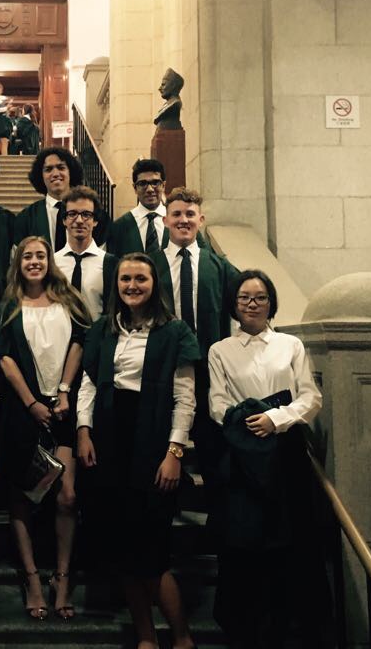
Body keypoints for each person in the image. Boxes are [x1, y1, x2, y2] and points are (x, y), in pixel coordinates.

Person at [76, 253, 199, 649]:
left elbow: (185, 398)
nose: (132, 285)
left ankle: (181, 637)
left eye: (140, 279)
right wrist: (83, 430)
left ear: (154, 284)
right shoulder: (103, 330)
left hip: (154, 444)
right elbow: (89, 384)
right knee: (125, 549)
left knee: (153, 550)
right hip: (111, 443)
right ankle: (146, 636)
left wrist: (174, 452)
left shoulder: (175, 331)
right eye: (125, 279)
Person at [207, 270, 329, 647]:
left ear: (271, 303)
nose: (252, 304)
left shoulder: (290, 344)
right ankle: (244, 628)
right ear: (234, 304)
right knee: (242, 544)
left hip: (285, 452)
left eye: (260, 297)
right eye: (244, 298)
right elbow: (217, 403)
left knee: (287, 541)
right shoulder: (220, 350)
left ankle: (286, 626)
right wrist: (247, 424)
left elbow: (310, 397)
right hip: (241, 455)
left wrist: (275, 419)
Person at [0, 235, 91, 622]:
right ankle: (33, 578)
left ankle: (62, 578)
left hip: (63, 408)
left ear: (50, 261)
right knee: (21, 497)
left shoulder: (69, 301)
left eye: (40, 255)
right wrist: (31, 403)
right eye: (26, 257)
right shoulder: (8, 305)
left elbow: (79, 345)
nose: (34, 261)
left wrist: (64, 392)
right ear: (17, 263)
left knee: (66, 496)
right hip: (21, 411)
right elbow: (3, 358)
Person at [150, 187, 239, 526]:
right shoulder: (151, 264)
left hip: (206, 369)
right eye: (177, 214)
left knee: (211, 443)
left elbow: (244, 309)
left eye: (190, 215)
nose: (183, 220)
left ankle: (218, 519)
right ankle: (164, 514)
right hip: (163, 369)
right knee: (162, 440)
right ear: (166, 220)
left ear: (200, 220)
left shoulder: (219, 266)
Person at [13, 147, 109, 252]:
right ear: (41, 176)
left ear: (70, 172)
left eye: (61, 167)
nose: (55, 174)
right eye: (48, 169)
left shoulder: (94, 215)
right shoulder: (26, 218)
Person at [54, 186, 117, 322]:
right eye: (72, 214)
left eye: (86, 215)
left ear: (95, 221)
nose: (79, 220)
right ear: (64, 220)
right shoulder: (52, 263)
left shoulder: (110, 263)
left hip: (98, 339)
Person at [107, 158, 169, 256]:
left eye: (155, 183)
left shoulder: (178, 221)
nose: (149, 189)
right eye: (143, 184)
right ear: (135, 188)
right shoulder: (119, 227)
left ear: (163, 186)